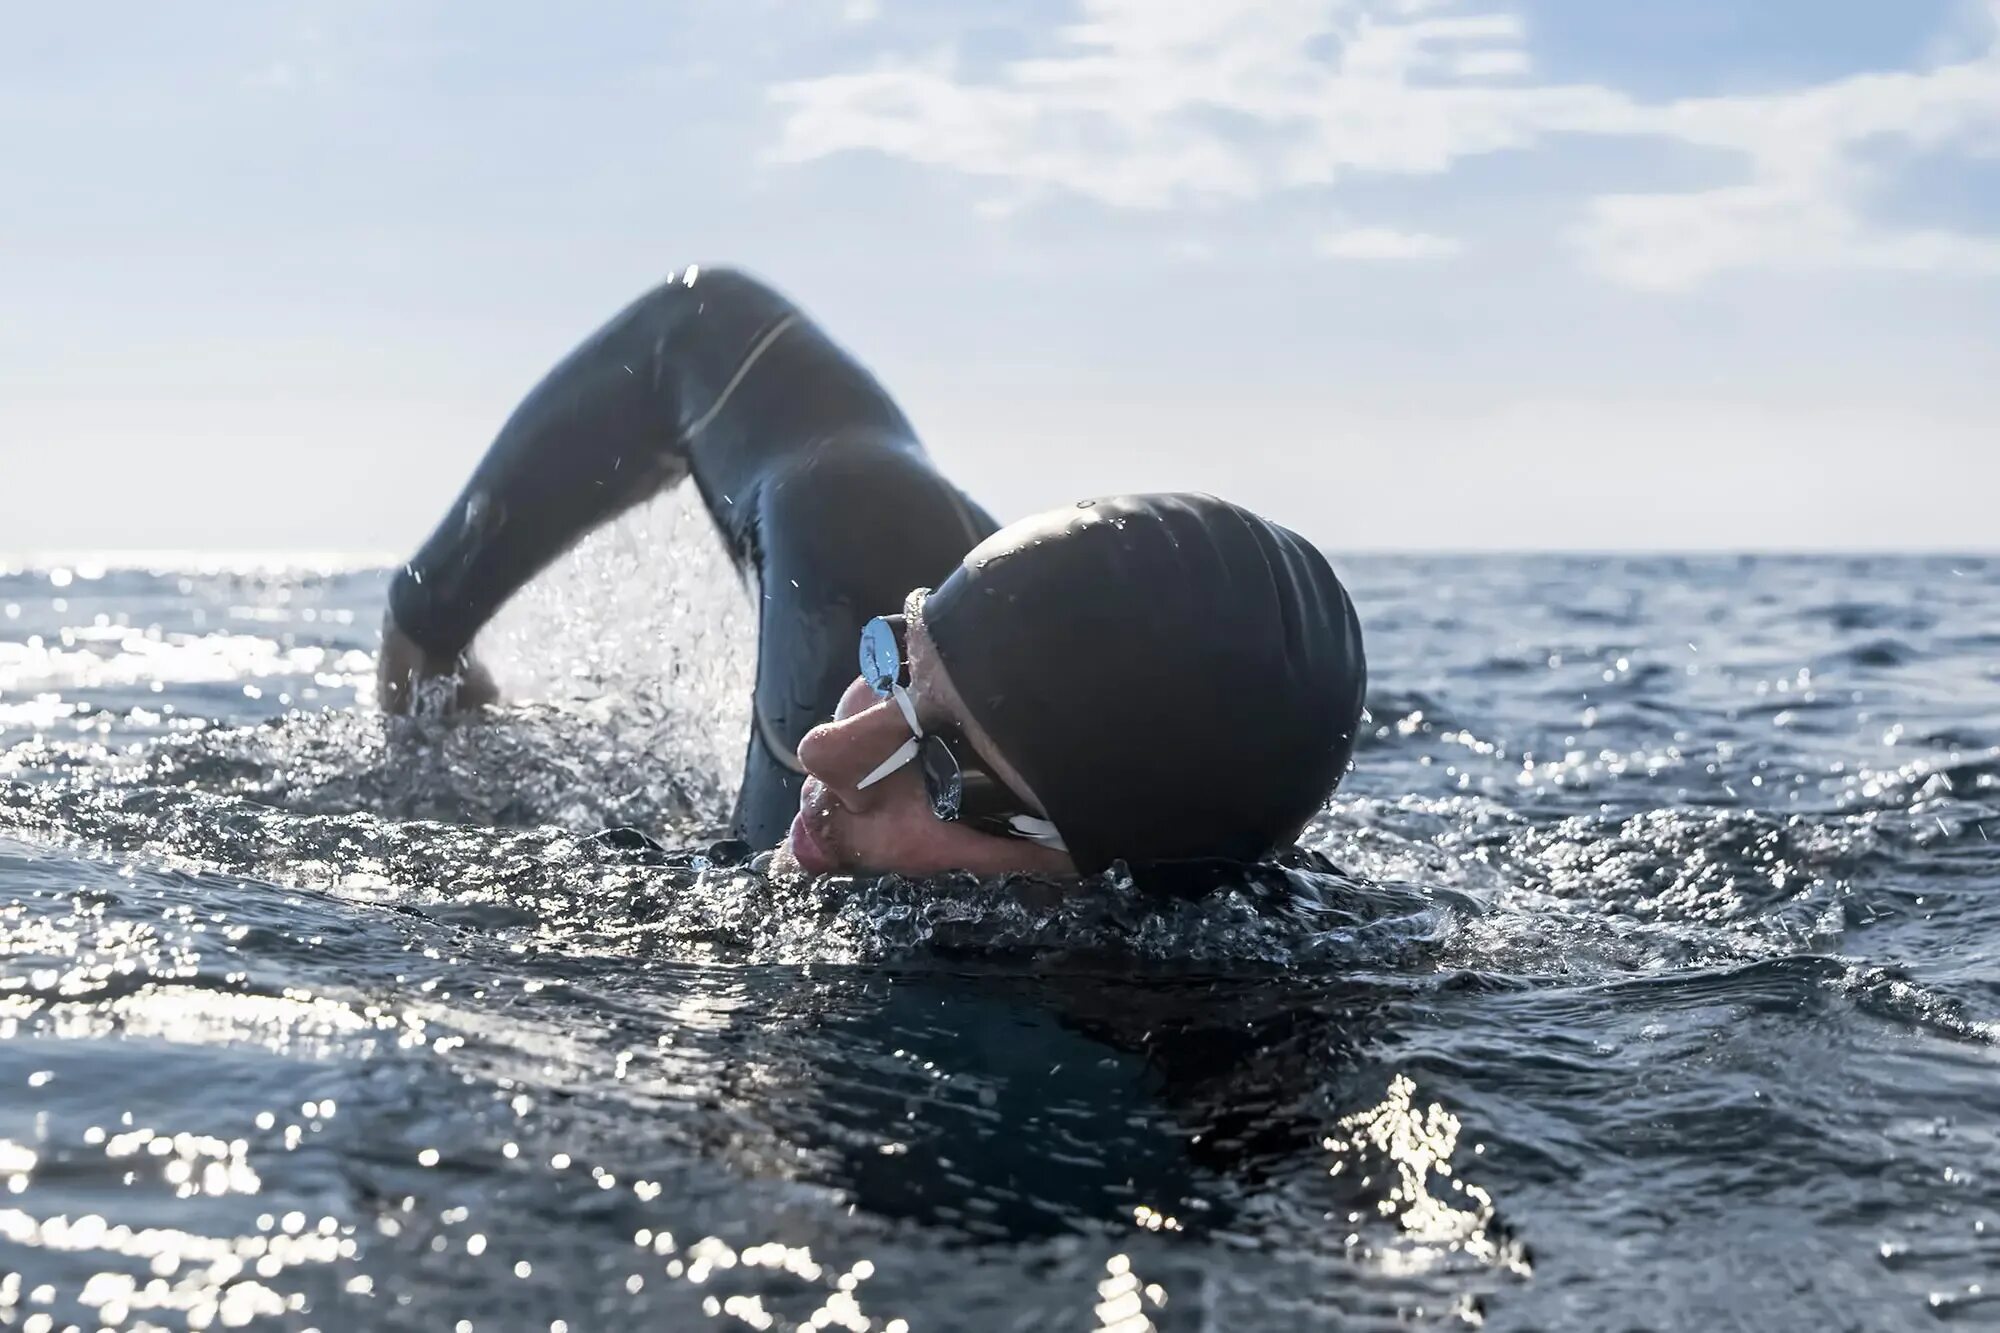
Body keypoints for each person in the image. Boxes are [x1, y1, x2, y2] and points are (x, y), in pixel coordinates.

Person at [378, 266, 1367, 881]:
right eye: (893, 663)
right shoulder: (851, 550)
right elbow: (701, 325)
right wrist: (428, 623)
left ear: (1129, 889)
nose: (825, 752)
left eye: (946, 773)